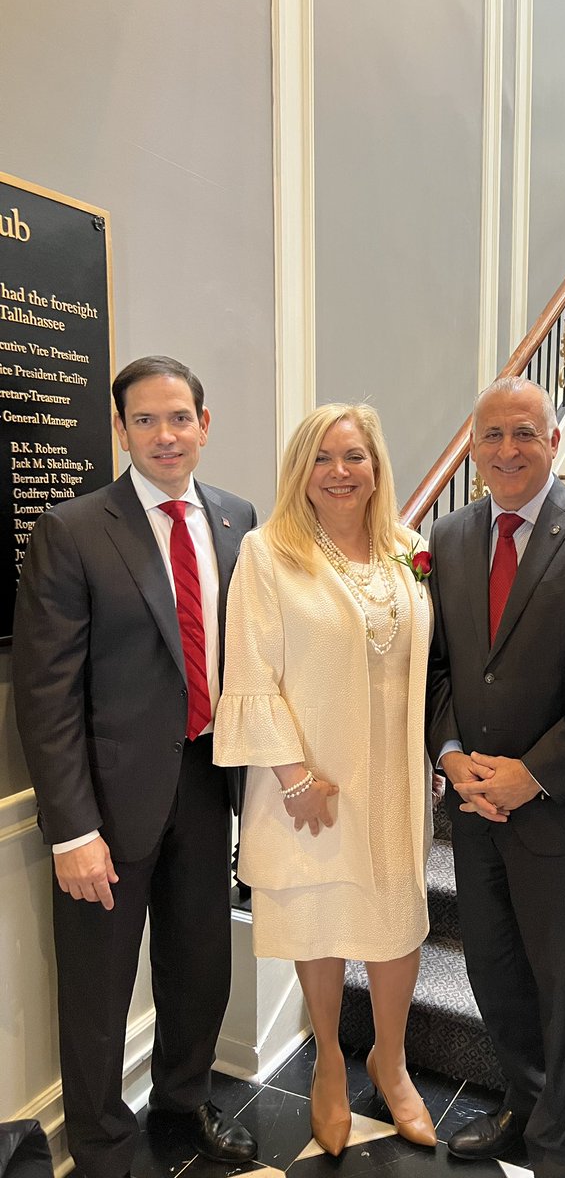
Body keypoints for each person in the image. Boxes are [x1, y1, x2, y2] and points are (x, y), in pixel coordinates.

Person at [12, 357, 258, 1178]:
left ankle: (183, 1108)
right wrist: (72, 828)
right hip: (107, 804)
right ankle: (104, 1146)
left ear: (204, 422)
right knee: (98, 990)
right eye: (146, 420)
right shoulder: (74, 529)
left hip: (205, 781)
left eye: (179, 417)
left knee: (199, 969)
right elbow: (45, 696)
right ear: (121, 430)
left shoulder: (234, 519)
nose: (165, 435)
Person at [213, 403, 437, 1157]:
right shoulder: (269, 551)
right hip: (313, 779)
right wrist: (293, 773)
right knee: (323, 921)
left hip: (395, 777)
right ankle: (332, 1066)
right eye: (323, 458)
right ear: (301, 472)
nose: (340, 473)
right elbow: (248, 671)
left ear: (377, 466)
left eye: (355, 457)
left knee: (397, 918)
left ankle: (392, 1059)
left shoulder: (408, 550)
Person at [426, 376, 565, 1178]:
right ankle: (522, 1100)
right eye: (491, 436)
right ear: (473, 448)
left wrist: (534, 775)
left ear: (553, 439)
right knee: (494, 970)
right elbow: (440, 671)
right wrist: (450, 757)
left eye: (524, 434)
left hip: (560, 813)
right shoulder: (448, 538)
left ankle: (562, 1144)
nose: (507, 450)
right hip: (474, 808)